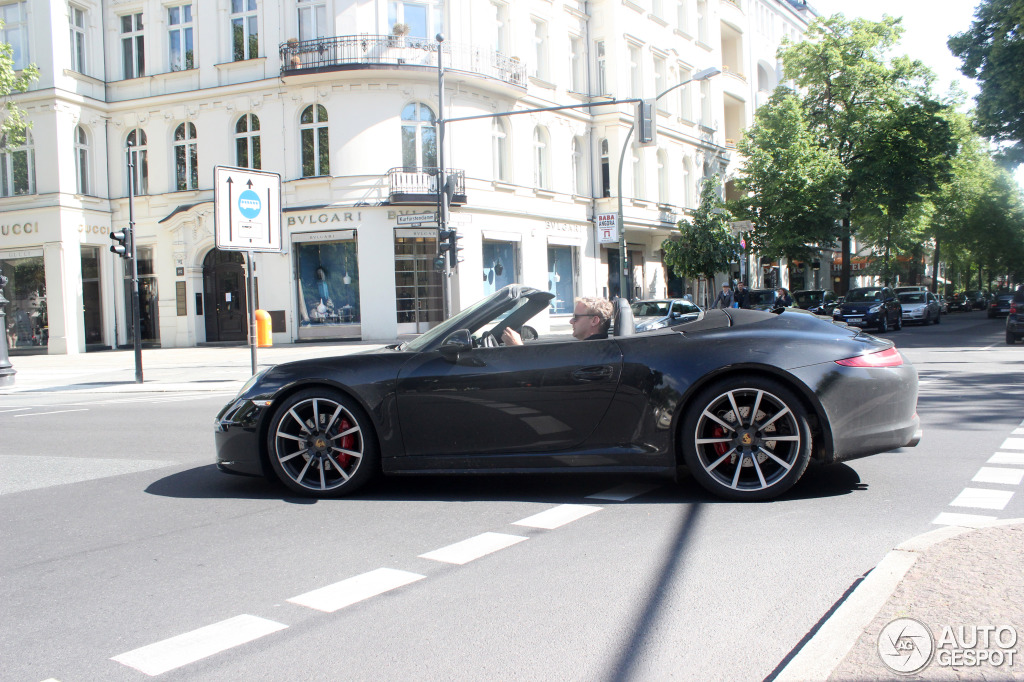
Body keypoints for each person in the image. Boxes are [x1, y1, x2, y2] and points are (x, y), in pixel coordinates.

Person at [503, 296, 613, 345]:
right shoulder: (595, 347)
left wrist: (517, 347)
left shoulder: (591, 351)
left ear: (594, 321)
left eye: (576, 317)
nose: (571, 321)